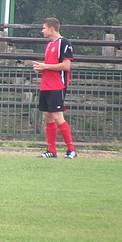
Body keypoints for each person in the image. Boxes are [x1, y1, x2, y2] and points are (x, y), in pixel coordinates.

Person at [33, 17, 77, 159]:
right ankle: (51, 150)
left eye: (44, 28)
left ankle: (71, 149)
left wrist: (45, 66)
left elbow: (66, 66)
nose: (42, 31)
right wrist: (41, 68)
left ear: (51, 29)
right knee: (47, 116)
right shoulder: (49, 45)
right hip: (46, 85)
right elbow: (51, 66)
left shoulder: (64, 43)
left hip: (57, 85)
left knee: (58, 116)